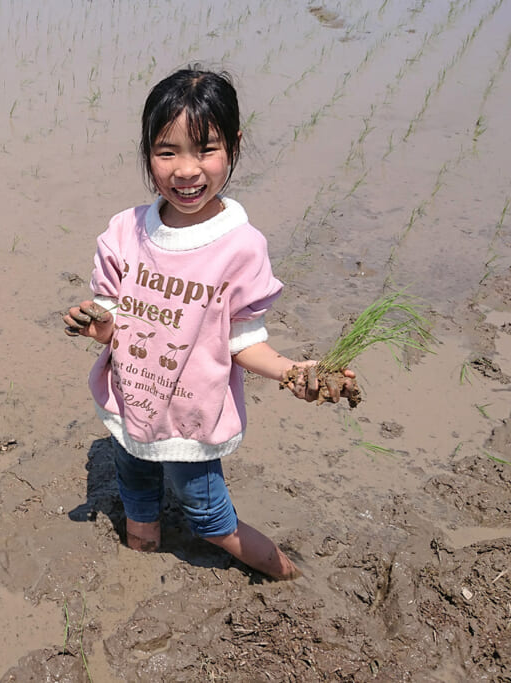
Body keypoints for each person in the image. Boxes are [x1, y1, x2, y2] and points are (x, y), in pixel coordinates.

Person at [63, 67, 354, 581]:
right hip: (131, 402)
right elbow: (114, 319)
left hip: (190, 421)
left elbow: (243, 341)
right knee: (136, 491)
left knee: (210, 517)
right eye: (167, 151)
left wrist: (294, 372)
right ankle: (139, 561)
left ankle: (290, 577)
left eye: (206, 149)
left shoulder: (240, 247)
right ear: (147, 151)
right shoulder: (124, 232)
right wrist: (96, 324)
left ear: (234, 147)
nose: (186, 170)